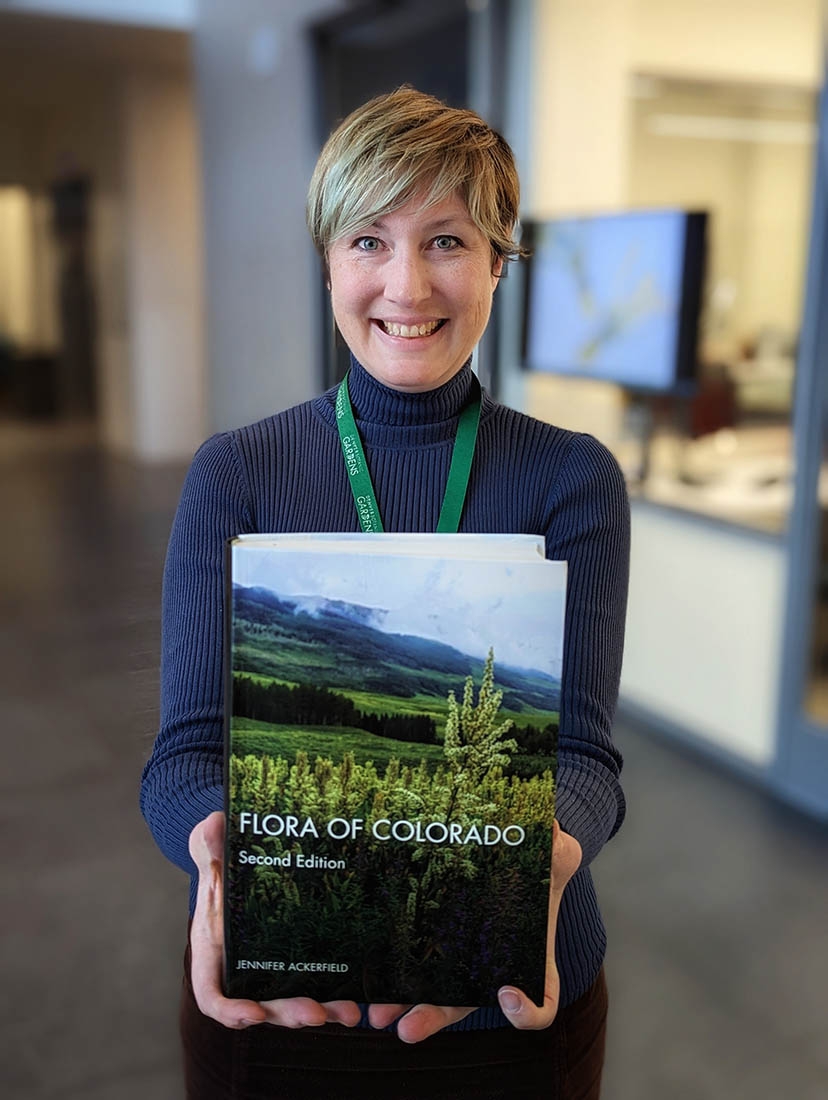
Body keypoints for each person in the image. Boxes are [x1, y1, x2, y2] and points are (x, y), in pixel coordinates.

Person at [141, 86, 629, 1099]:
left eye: (446, 239)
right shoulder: (237, 472)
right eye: (369, 239)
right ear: (327, 262)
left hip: (509, 994)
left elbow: (581, 757)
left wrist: (538, 873)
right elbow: (184, 754)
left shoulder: (569, 478)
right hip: (285, 995)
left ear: (500, 259)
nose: (407, 283)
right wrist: (218, 851)